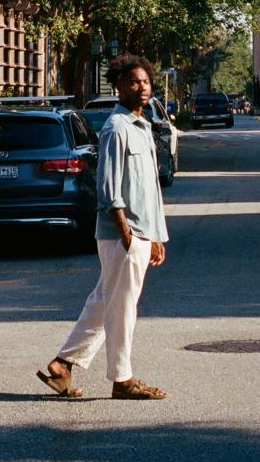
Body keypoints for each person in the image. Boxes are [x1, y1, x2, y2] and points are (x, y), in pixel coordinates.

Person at [37, 54, 168, 399]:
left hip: (139, 232)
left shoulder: (141, 125)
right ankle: (122, 379)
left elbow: (147, 189)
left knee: (104, 301)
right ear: (118, 88)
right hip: (122, 234)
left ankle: (62, 365)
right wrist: (127, 234)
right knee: (122, 308)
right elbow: (109, 189)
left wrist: (155, 235)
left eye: (145, 82)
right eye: (132, 82)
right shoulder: (117, 127)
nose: (141, 87)